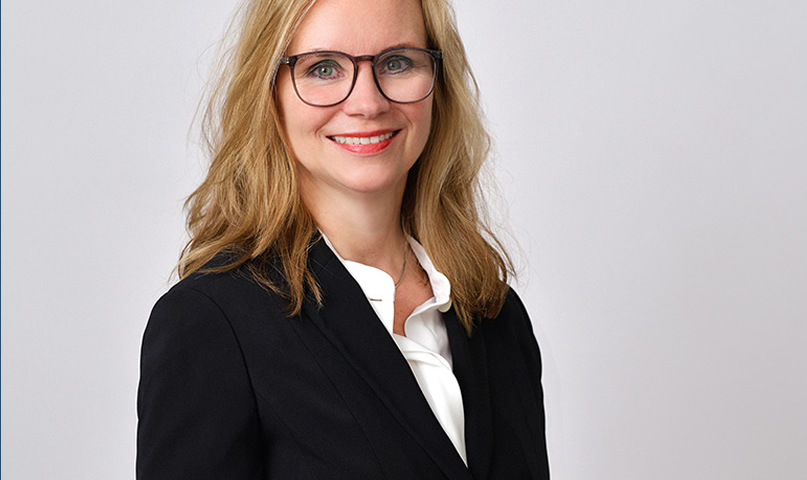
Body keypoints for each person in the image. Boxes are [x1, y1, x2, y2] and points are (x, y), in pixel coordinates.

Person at [136, 0, 549, 478]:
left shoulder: (495, 315)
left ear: (439, 83)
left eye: (397, 62)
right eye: (324, 68)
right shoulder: (212, 323)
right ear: (269, 93)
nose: (368, 103)